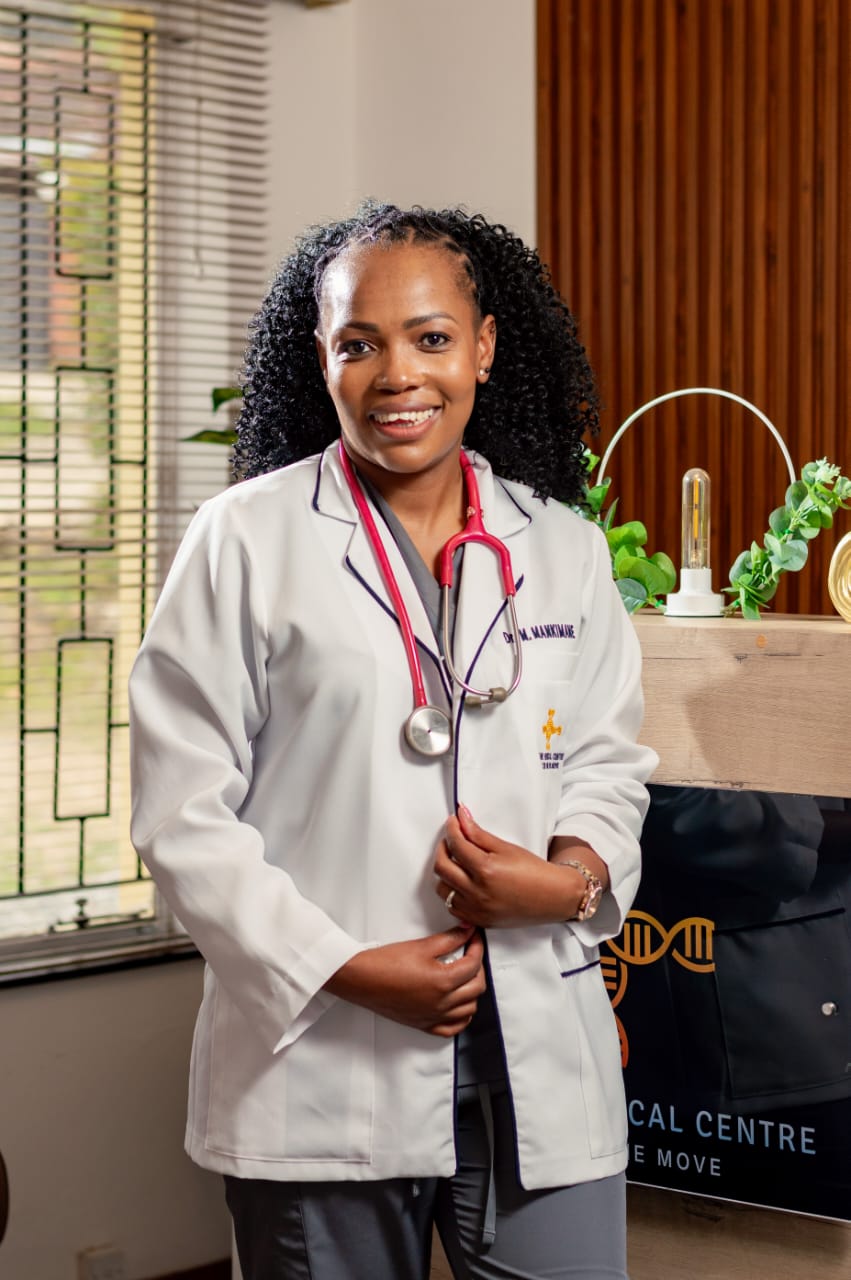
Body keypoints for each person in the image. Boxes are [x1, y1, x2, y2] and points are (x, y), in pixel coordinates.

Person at [129, 203, 657, 1280]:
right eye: (358, 343)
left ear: (483, 347)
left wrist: (570, 879)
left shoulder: (559, 547)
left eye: (430, 337)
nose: (398, 375)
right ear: (321, 357)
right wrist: (346, 967)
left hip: (533, 1048)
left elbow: (607, 760)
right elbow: (182, 815)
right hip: (321, 1056)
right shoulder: (246, 540)